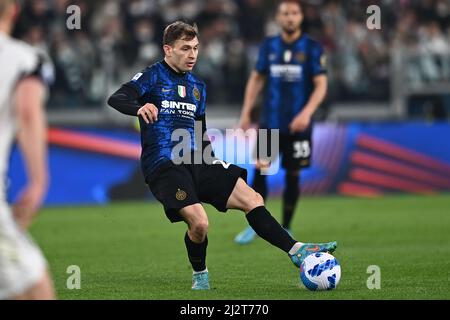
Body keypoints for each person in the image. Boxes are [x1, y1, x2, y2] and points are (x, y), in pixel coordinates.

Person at [108, 21, 337, 290]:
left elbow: (200, 129)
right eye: (185, 48)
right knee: (200, 223)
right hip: (164, 164)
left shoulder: (198, 87)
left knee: (253, 198)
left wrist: (212, 159)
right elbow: (117, 98)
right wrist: (139, 106)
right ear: (167, 50)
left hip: (197, 159)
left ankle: (297, 250)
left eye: (195, 48)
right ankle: (200, 275)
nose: (192, 54)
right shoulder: (152, 76)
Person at [235, 0, 328, 244]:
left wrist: (306, 113)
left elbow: (321, 84)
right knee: (261, 170)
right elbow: (256, 79)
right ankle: (256, 226)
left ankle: (286, 226)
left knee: (293, 174)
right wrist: (246, 112)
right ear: (278, 17)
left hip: (299, 124)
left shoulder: (312, 47)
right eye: (285, 13)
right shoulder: (268, 46)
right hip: (270, 122)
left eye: (294, 13)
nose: (290, 17)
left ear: (301, 17)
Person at [0, 0, 55, 299]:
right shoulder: (24, 59)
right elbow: (28, 112)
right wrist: (38, 182)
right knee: (36, 289)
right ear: (14, 11)